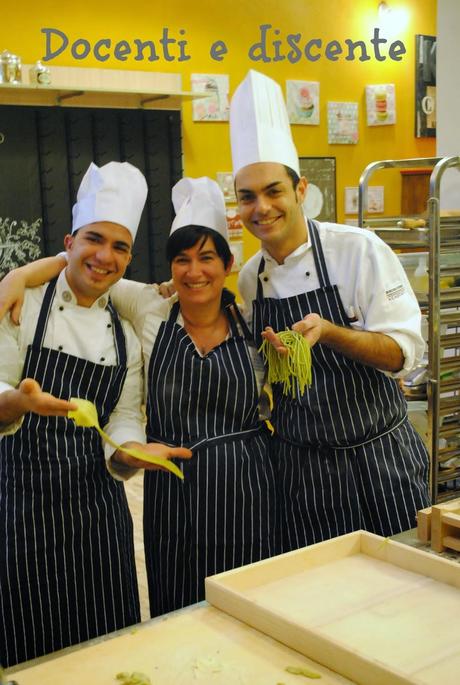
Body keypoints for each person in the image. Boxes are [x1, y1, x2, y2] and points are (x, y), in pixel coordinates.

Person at [0, 176, 277, 619]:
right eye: (181, 260)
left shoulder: (254, 321)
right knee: (175, 608)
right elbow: (81, 268)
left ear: (228, 264)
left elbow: (126, 411)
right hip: (159, 486)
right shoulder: (147, 308)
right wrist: (16, 277)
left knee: (246, 604)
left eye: (207, 258)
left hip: (242, 487)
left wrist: (128, 446)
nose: (194, 271)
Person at [229, 70, 430, 552]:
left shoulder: (357, 251)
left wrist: (332, 333)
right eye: (248, 196)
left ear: (300, 191)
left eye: (274, 191)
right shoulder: (249, 277)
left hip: (379, 461)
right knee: (320, 598)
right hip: (304, 474)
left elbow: (405, 356)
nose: (262, 207)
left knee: (401, 595)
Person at [0, 161, 190, 668]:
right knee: (27, 650)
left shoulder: (122, 332)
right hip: (20, 508)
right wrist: (19, 402)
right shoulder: (23, 305)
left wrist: (129, 450)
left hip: (95, 515)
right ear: (69, 241)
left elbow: (123, 417)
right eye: (94, 239)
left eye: (120, 246)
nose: (104, 256)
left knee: (108, 646)